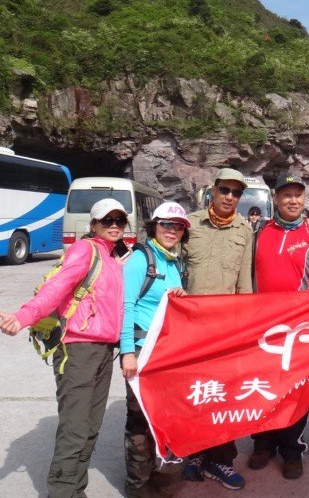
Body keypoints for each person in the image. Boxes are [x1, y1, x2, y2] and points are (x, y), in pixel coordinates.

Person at [0, 198, 128, 498]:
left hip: (104, 351)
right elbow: (57, 287)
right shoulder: (86, 250)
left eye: (119, 220)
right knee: (75, 430)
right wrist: (24, 316)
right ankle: (61, 492)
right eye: (107, 220)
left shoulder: (112, 257)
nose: (114, 225)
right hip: (78, 350)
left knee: (91, 428)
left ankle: (76, 490)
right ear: (93, 225)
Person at [250, 171, 309, 480]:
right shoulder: (258, 233)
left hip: (297, 332)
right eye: (286, 195)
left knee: (294, 393)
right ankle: (262, 444)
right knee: (261, 389)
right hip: (260, 329)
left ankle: (292, 450)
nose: (293, 200)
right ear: (276, 198)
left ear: (304, 199)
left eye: (297, 195)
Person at [182, 167, 253, 489]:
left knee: (225, 396)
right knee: (195, 393)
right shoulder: (190, 224)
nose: (230, 197)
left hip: (226, 330)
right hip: (190, 328)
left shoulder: (244, 230)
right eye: (225, 190)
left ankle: (221, 460)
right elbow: (172, 267)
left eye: (236, 193)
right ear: (213, 190)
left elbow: (244, 284)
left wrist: (244, 332)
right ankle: (195, 454)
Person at [121, 202, 190, 498]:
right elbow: (125, 306)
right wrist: (127, 352)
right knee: (139, 420)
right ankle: (138, 485)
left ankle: (160, 480)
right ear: (154, 226)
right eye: (166, 224)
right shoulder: (141, 258)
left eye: (178, 227)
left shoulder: (173, 261)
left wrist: (181, 295)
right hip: (141, 350)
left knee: (163, 416)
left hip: (166, 351)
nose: (172, 231)